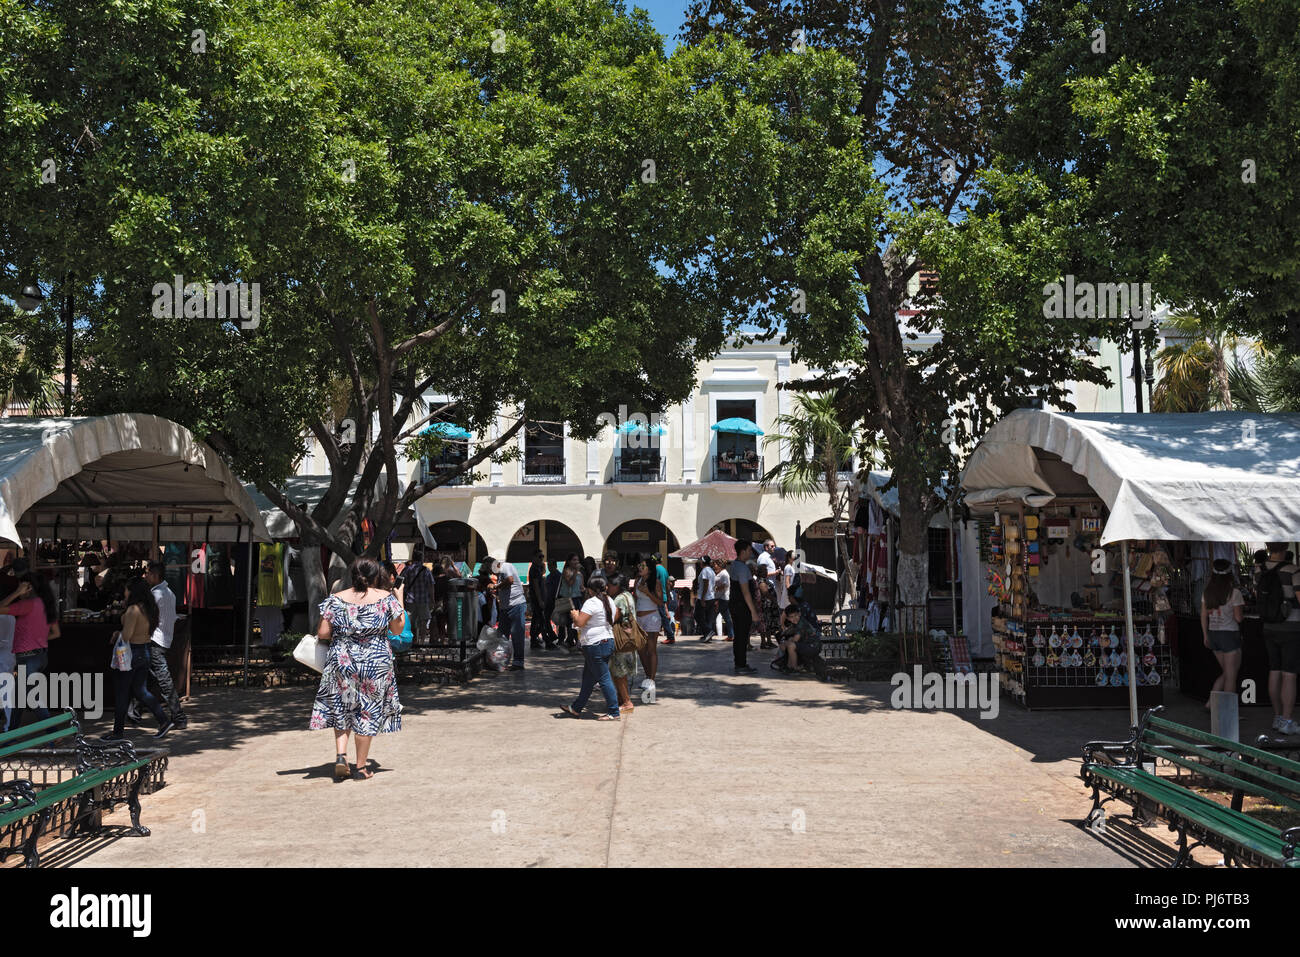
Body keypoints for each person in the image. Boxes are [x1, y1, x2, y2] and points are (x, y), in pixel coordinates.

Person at [310, 558, 405, 780]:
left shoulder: (335, 599)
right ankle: (361, 768)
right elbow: (398, 629)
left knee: (342, 708)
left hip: (342, 661)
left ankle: (341, 755)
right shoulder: (385, 598)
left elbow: (323, 632)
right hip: (375, 663)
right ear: (375, 576)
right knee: (367, 710)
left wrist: (347, 635)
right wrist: (399, 599)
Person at [106, 579, 172, 740]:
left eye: (127, 590)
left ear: (132, 592)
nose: (125, 593)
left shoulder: (133, 610)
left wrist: (117, 634)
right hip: (145, 650)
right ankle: (163, 720)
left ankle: (117, 731)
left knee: (122, 692)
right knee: (140, 690)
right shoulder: (149, 609)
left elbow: (127, 635)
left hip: (131, 653)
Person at [128, 562, 186, 728]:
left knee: (161, 679)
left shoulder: (155, 595)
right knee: (145, 675)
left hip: (155, 641)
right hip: (164, 640)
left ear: (154, 575)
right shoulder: (170, 593)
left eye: (147, 573)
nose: (145, 576)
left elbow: (149, 618)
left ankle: (179, 716)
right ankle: (134, 713)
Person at [0, 571, 58, 728]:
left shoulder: (27, 605)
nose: (19, 588)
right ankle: (12, 735)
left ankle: (52, 731)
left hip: (28, 657)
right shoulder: (45, 604)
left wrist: (17, 593)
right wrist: (38, 639)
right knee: (20, 697)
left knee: (30, 696)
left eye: (21, 585)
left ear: (28, 587)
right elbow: (55, 633)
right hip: (40, 656)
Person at [560, 574, 621, 720]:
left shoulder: (591, 602)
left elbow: (580, 623)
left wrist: (575, 615)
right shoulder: (609, 601)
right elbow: (615, 617)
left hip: (595, 644)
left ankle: (614, 711)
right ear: (604, 587)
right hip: (607, 640)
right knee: (588, 678)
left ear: (590, 590)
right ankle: (576, 708)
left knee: (604, 678)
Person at [1257, 542, 1300, 735]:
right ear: (1284, 547)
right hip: (1291, 627)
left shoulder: (1259, 570)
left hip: (1268, 626)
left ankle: (1277, 716)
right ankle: (1287, 720)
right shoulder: (1293, 570)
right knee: (1289, 673)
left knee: (1274, 670)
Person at [1200, 558, 1244, 710]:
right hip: (1229, 635)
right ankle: (1229, 712)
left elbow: (1203, 615)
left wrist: (1205, 635)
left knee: (1227, 672)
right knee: (1231, 675)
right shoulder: (1235, 593)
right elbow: (1238, 618)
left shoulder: (1207, 592)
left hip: (1213, 635)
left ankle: (1211, 701)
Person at [607, 573, 638, 713]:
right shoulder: (628, 595)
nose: (607, 588)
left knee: (619, 672)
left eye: (610, 585)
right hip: (629, 638)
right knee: (621, 672)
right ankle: (621, 698)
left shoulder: (619, 599)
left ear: (617, 586)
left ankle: (626, 701)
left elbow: (614, 618)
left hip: (621, 639)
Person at [728, 540, 759, 674]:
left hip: (736, 605)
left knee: (740, 635)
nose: (751, 553)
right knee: (741, 636)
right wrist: (753, 612)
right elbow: (745, 592)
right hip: (742, 607)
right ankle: (741, 665)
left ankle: (740, 663)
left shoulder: (735, 565)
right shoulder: (741, 568)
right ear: (743, 551)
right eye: (749, 550)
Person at [773, 603, 825, 678]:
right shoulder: (796, 623)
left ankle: (794, 668)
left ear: (799, 614)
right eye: (791, 617)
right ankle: (789, 666)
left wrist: (785, 643)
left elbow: (795, 640)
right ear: (788, 618)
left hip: (813, 646)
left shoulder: (801, 623)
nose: (794, 618)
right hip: (808, 644)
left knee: (791, 645)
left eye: (796, 615)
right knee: (789, 643)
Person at [634, 559, 663, 685]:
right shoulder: (637, 581)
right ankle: (648, 675)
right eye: (640, 565)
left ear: (649, 569)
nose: (640, 568)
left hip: (652, 617)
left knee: (651, 650)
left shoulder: (655, 583)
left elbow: (660, 602)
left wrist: (647, 592)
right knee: (640, 649)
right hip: (639, 618)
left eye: (643, 566)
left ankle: (651, 679)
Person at [400, 547, 435, 646]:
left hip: (410, 601)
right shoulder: (426, 570)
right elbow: (431, 586)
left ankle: (412, 641)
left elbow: (399, 583)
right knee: (423, 621)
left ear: (413, 558)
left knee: (410, 622)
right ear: (421, 559)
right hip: (423, 600)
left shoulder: (407, 569)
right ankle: (422, 642)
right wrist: (432, 599)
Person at [551, 554, 584, 650]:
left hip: (577, 598)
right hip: (569, 600)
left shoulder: (580, 574)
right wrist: (576, 572)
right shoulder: (567, 571)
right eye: (574, 560)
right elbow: (570, 583)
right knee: (570, 621)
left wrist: (584, 589)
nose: (576, 562)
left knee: (578, 621)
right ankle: (571, 641)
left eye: (577, 560)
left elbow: (581, 587)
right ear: (569, 561)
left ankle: (577, 641)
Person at [528, 551, 556, 649]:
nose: (541, 559)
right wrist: (540, 600)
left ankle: (534, 639)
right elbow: (536, 586)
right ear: (534, 557)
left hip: (538, 598)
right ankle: (546, 641)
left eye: (542, 557)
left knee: (537, 619)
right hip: (536, 599)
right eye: (539, 557)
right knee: (541, 619)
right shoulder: (534, 569)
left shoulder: (537, 568)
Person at [713, 557, 734, 642]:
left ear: (720, 565)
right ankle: (731, 634)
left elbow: (725, 585)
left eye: (715, 564)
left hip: (722, 598)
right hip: (721, 598)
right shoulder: (720, 573)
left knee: (723, 617)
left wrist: (716, 589)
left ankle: (731, 635)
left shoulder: (724, 574)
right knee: (726, 617)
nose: (714, 566)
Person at [696, 557, 717, 642]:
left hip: (705, 597)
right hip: (711, 597)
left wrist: (703, 598)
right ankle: (707, 635)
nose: (699, 562)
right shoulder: (711, 571)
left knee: (697, 615)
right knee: (708, 617)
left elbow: (706, 584)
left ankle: (708, 631)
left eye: (700, 561)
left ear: (703, 562)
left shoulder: (705, 571)